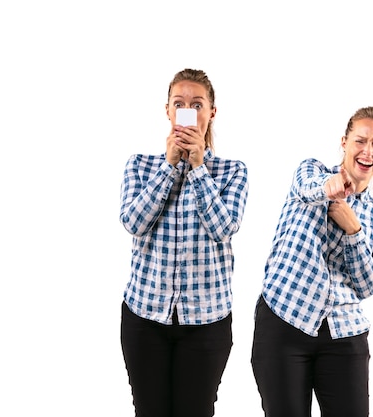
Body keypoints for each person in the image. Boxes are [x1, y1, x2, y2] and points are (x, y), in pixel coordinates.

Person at [119, 68, 249, 417]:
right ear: (168, 112)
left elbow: (224, 227)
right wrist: (169, 166)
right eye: (180, 104)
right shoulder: (141, 166)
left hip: (206, 323)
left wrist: (198, 167)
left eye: (197, 104)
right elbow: (133, 222)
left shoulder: (232, 171)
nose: (187, 111)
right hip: (145, 318)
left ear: (211, 113)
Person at [251, 106, 373, 417]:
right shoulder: (311, 171)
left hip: (345, 333)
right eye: (360, 141)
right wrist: (329, 188)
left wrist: (354, 229)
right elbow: (307, 188)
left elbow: (368, 286)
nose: (367, 151)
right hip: (285, 321)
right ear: (344, 142)